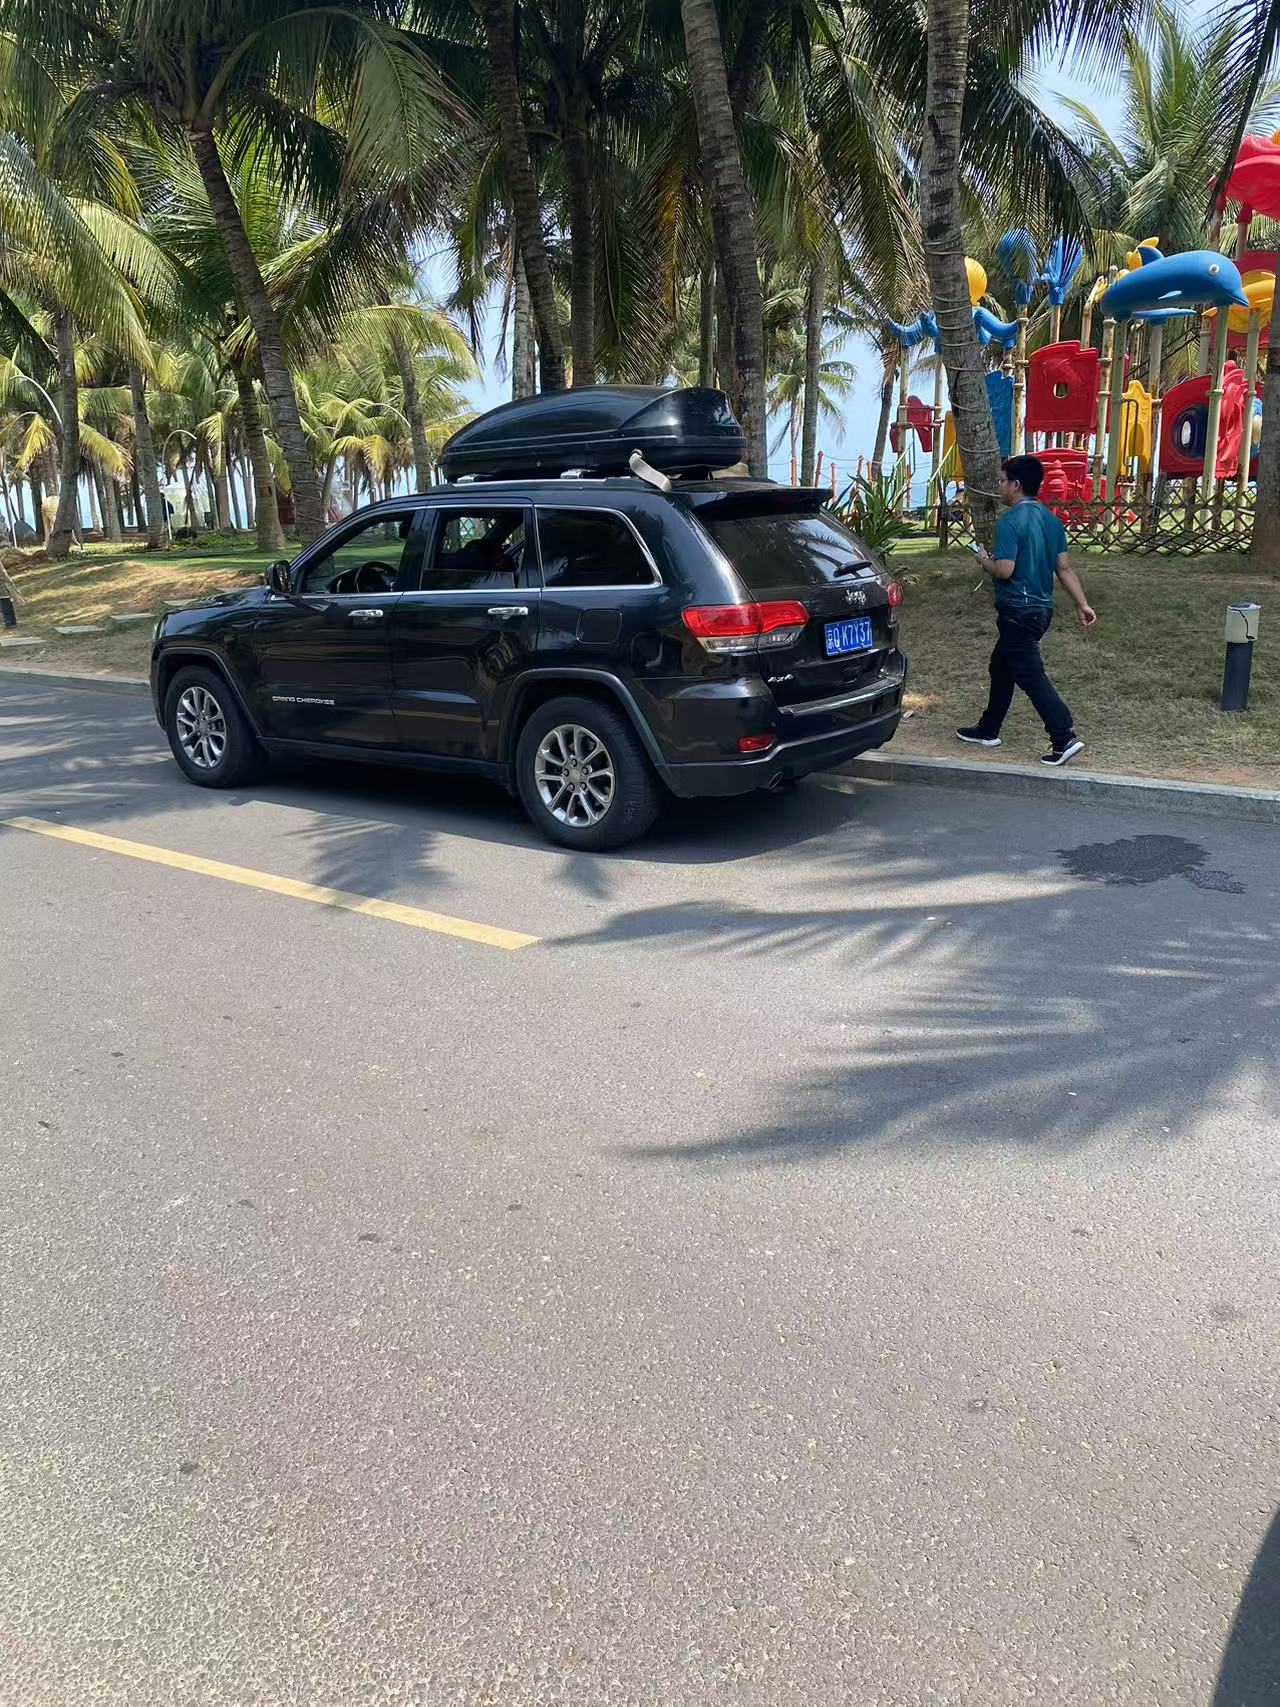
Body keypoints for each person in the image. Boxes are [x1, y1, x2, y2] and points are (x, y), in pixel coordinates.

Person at [957, 454, 1097, 766]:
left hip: (1017, 612)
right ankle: (988, 729)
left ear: (1016, 485)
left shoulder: (1010, 522)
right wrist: (1083, 604)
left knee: (1031, 676)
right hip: (1040, 610)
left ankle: (1063, 736)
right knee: (1001, 667)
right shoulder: (1051, 521)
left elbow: (1004, 570)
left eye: (1001, 480)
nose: (999, 486)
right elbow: (1064, 568)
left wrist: (984, 560)